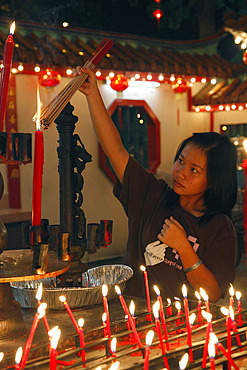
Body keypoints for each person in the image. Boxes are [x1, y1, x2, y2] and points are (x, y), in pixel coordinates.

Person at [75, 67, 237, 303]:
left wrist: (183, 247)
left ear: (214, 179)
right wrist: (92, 94)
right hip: (133, 320)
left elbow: (212, 293)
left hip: (183, 330)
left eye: (194, 170)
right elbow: (115, 151)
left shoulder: (219, 229)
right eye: (180, 161)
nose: (181, 173)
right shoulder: (152, 196)